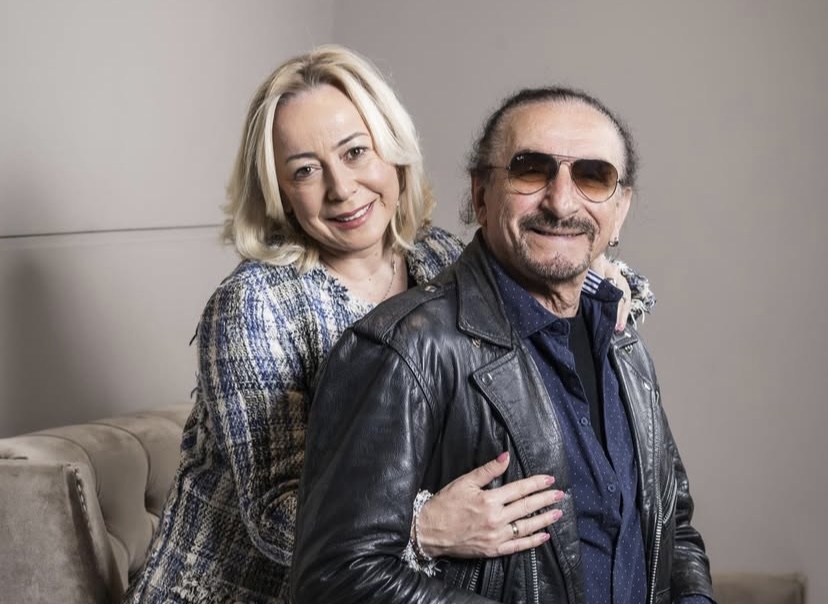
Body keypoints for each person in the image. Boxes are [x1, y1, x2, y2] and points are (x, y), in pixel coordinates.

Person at [123, 45, 654, 604]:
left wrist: (601, 274)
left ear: (394, 152)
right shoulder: (253, 304)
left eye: (356, 152)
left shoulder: (435, 256)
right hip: (241, 591)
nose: (341, 188)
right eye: (305, 170)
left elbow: (538, 283)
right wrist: (428, 526)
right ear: (278, 190)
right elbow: (276, 512)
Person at [291, 85, 714, 604]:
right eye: (530, 170)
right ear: (480, 195)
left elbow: (674, 527)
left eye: (593, 176)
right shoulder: (405, 350)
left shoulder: (624, 347)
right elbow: (335, 578)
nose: (561, 202)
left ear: (620, 208)